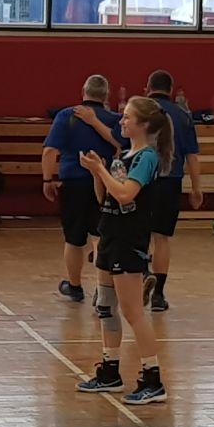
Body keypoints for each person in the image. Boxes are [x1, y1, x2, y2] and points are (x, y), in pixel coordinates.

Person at [75, 96, 173, 405]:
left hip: (129, 240)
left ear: (143, 124)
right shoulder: (124, 156)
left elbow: (126, 194)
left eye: (128, 117)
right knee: (106, 306)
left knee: (133, 311)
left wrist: (102, 171)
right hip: (110, 234)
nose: (122, 121)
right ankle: (110, 371)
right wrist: (97, 172)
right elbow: (104, 196)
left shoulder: (147, 157)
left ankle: (153, 379)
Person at [41, 75, 123, 303]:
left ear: (83, 91)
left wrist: (47, 180)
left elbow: (49, 151)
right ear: (106, 95)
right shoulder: (116, 120)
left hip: (73, 183)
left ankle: (75, 286)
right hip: (105, 182)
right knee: (100, 236)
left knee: (73, 239)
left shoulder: (66, 115)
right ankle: (102, 288)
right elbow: (123, 145)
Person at [144, 70, 203, 312]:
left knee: (138, 233)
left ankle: (140, 275)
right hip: (171, 180)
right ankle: (158, 294)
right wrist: (196, 188)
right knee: (162, 238)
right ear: (171, 90)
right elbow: (192, 155)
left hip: (142, 178)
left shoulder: (140, 110)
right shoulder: (183, 115)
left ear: (148, 87)